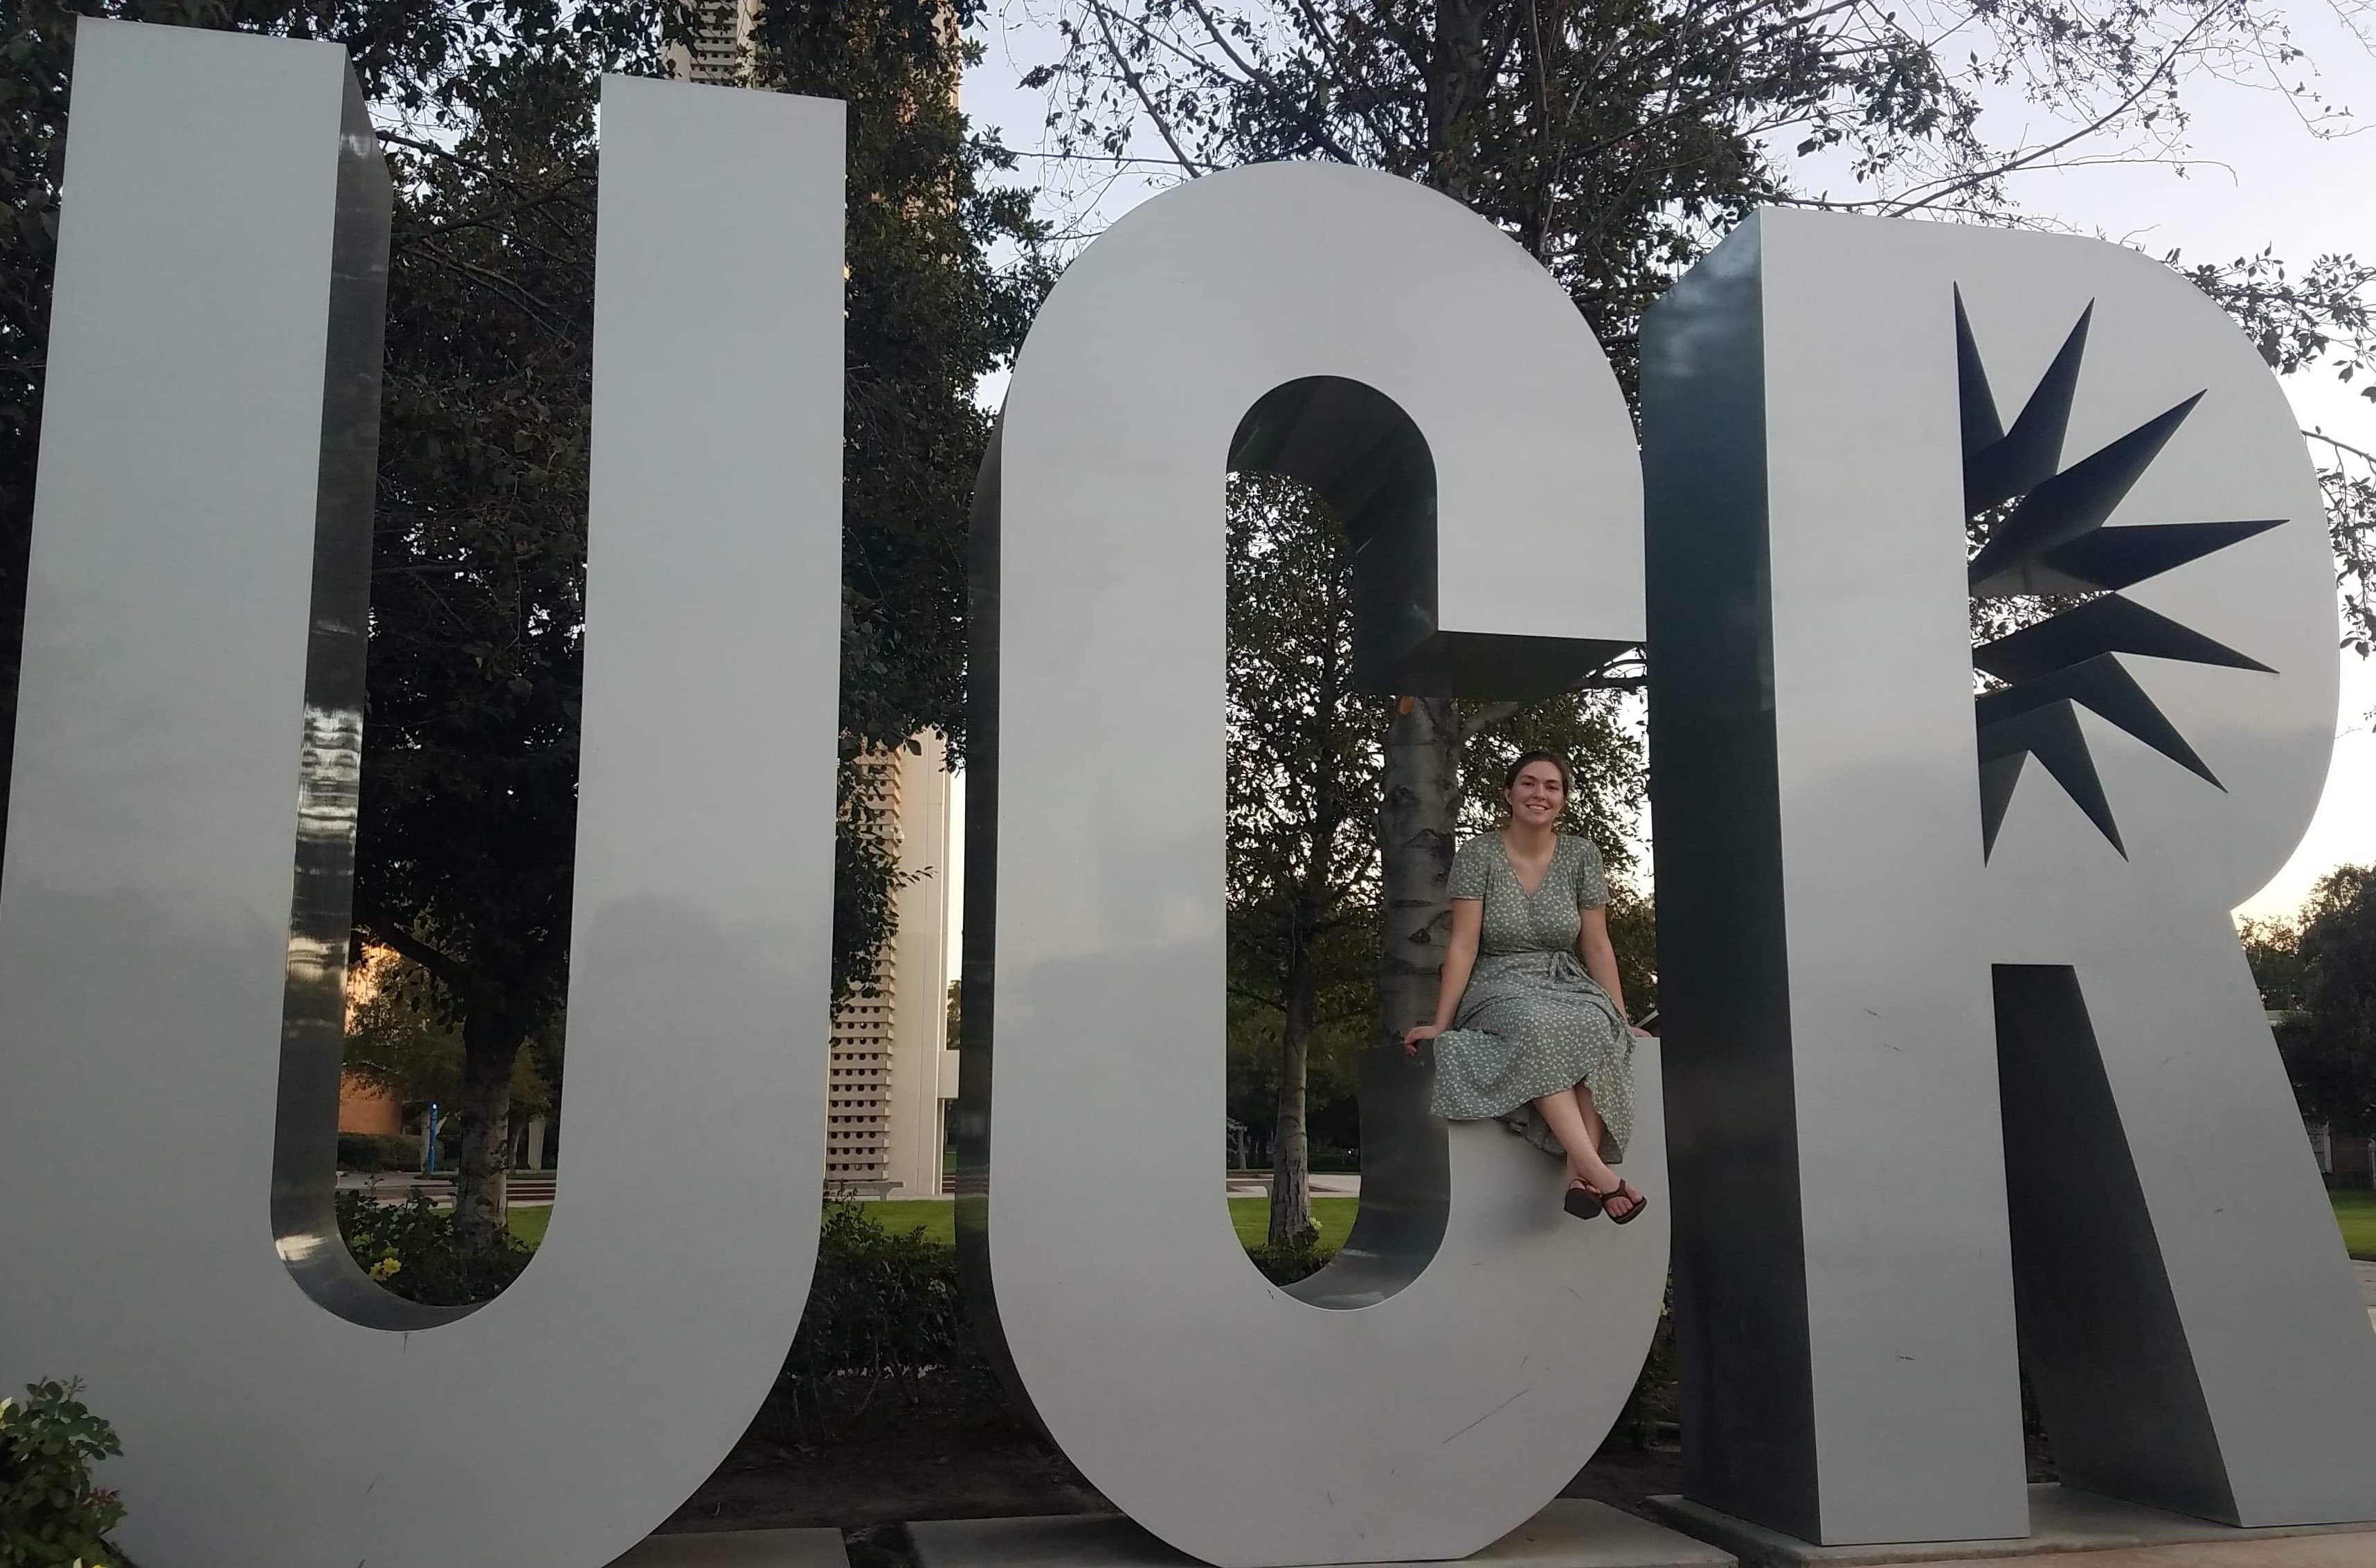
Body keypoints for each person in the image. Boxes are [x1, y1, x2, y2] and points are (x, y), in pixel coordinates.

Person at [1402, 751, 1650, 1223]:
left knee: (1597, 1026)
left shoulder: (1582, 855)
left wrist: (1620, 1017)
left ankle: (1580, 1177)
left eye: (1552, 786)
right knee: (1535, 1024)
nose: (1540, 794)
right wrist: (1441, 1022)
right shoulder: (1479, 854)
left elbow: (1597, 945)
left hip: (1566, 980)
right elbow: (1463, 944)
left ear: (1563, 799)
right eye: (1529, 783)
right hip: (1498, 981)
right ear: (1509, 793)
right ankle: (1600, 1175)